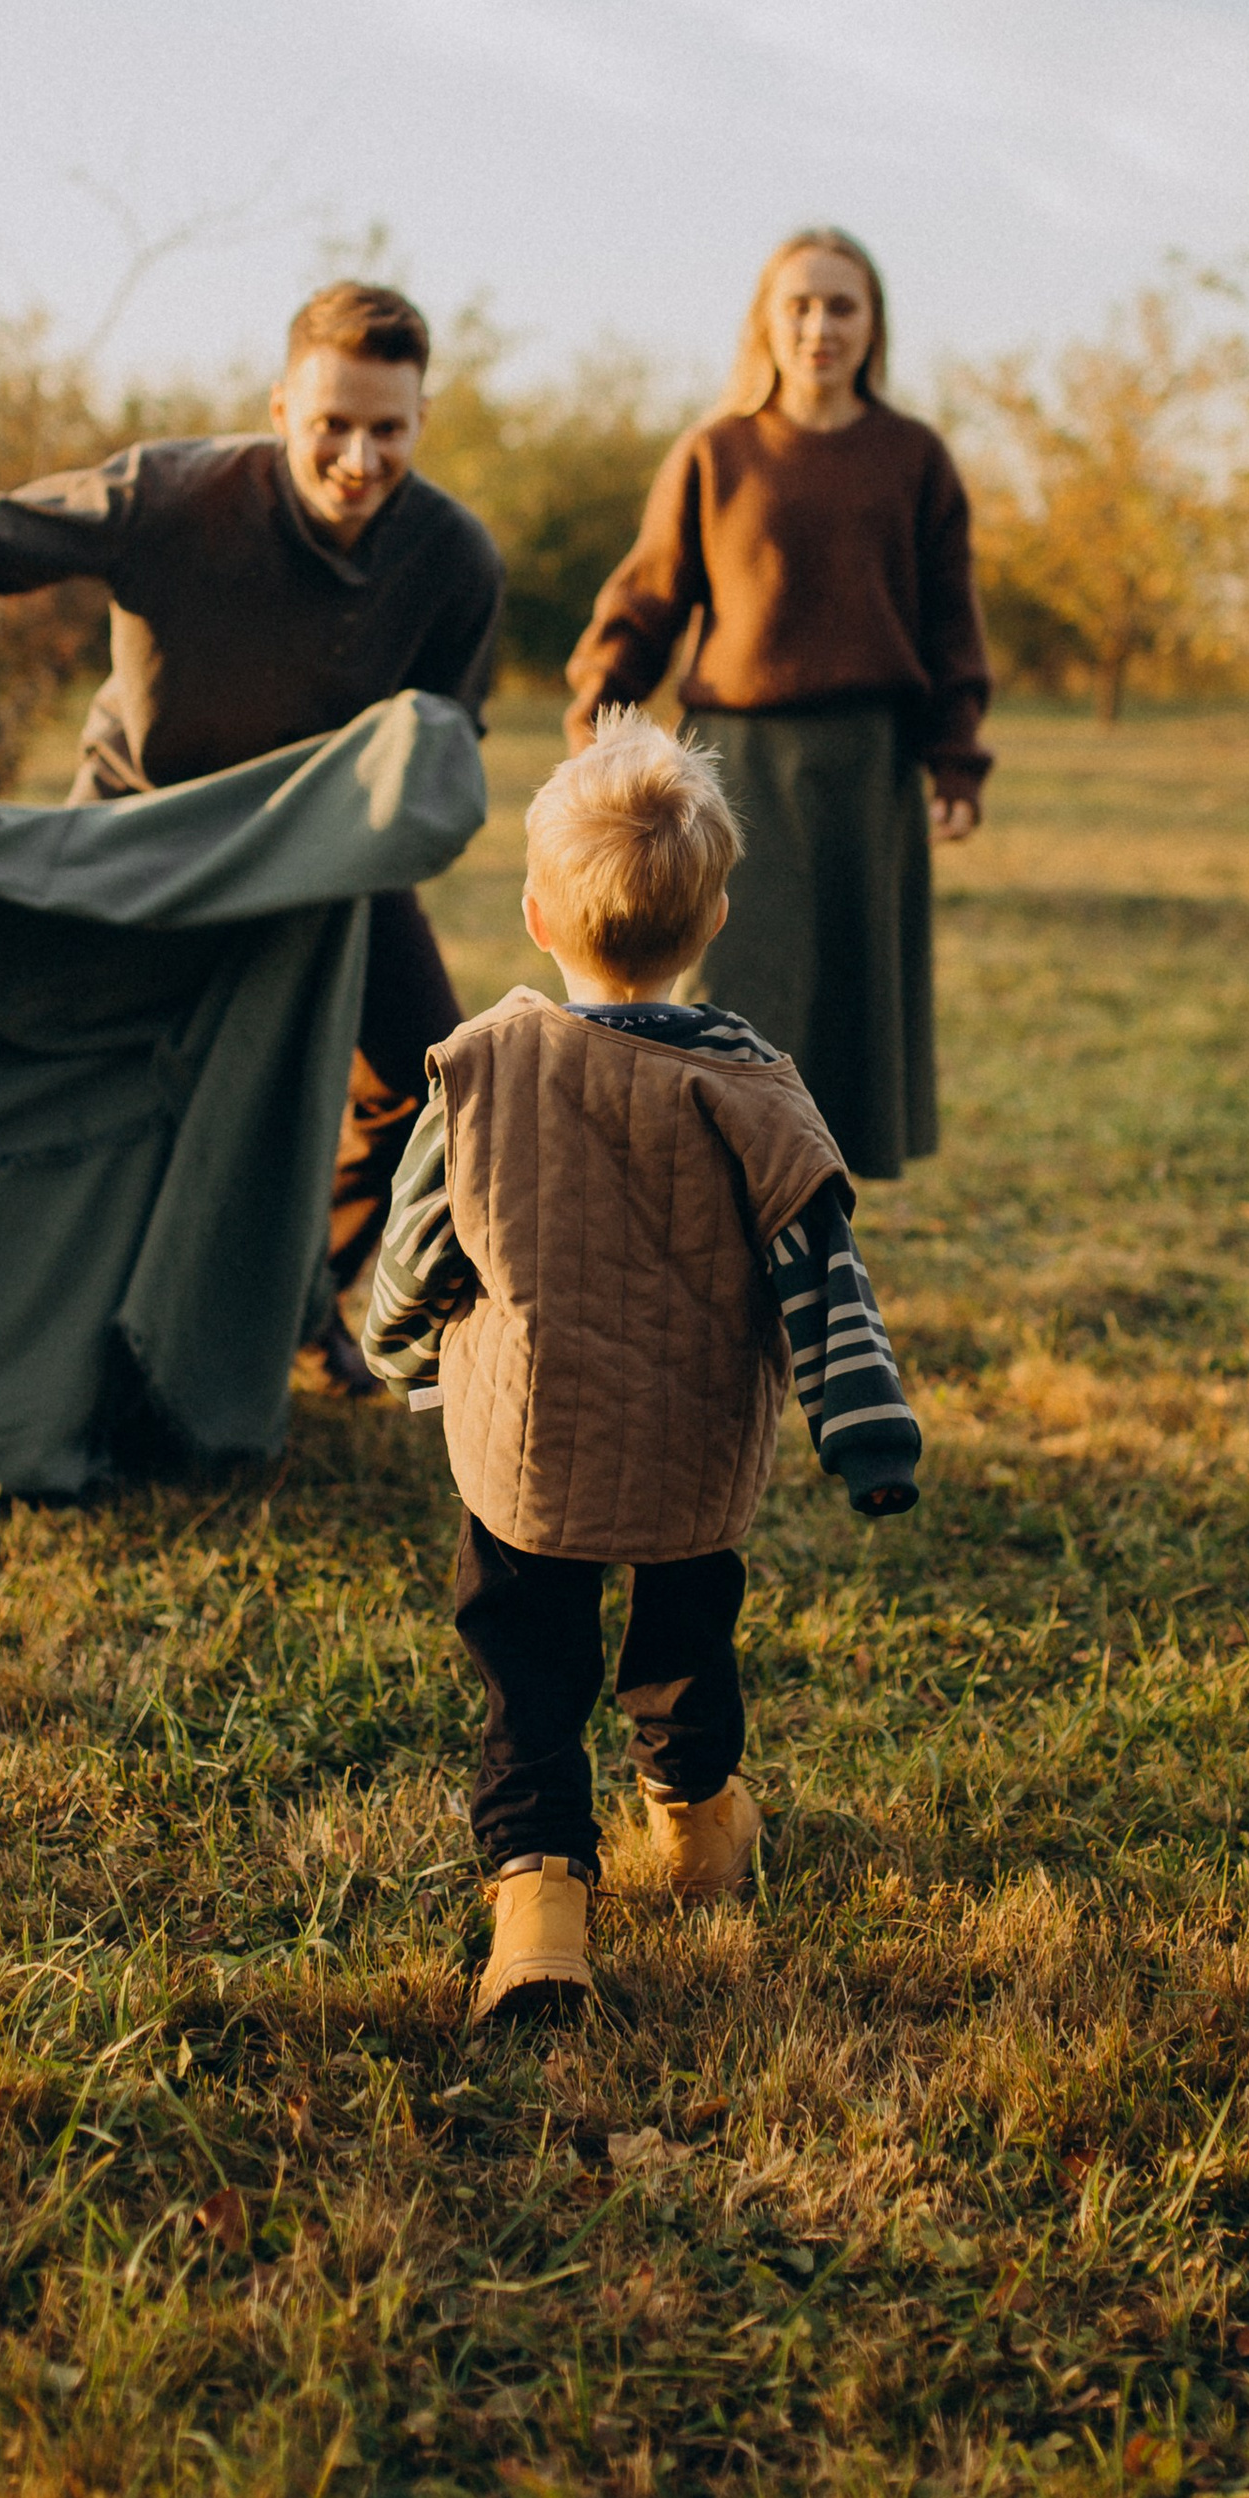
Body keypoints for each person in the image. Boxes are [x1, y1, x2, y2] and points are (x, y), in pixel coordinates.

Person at [0, 281, 501, 1386]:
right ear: (281, 408)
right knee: (63, 1082)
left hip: (319, 858)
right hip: (135, 838)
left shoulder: (455, 558)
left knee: (434, 1085)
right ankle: (33, 1333)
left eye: (387, 429)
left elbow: (441, 747)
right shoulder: (171, 494)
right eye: (332, 423)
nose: (357, 456)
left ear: (421, 419)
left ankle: (290, 1300)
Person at [363, 712, 922, 2026]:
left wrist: (396, 1346)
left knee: (528, 1679)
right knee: (684, 1647)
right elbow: (823, 1277)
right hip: (691, 1452)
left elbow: (418, 1242)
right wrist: (865, 1428)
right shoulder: (756, 1089)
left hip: (526, 1451)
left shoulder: (484, 1066)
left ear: (535, 915)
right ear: (715, 915)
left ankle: (539, 1916)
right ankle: (699, 1825)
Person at [563, 229, 991, 1182]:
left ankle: (818, 1233)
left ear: (873, 324)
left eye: (842, 305)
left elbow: (951, 624)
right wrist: (598, 727)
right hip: (736, 766)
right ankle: (708, 1202)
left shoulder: (914, 457)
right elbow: (647, 601)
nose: (819, 326)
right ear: (765, 321)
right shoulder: (717, 452)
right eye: (798, 305)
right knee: (731, 987)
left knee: (850, 1015)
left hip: (870, 771)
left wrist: (957, 761)